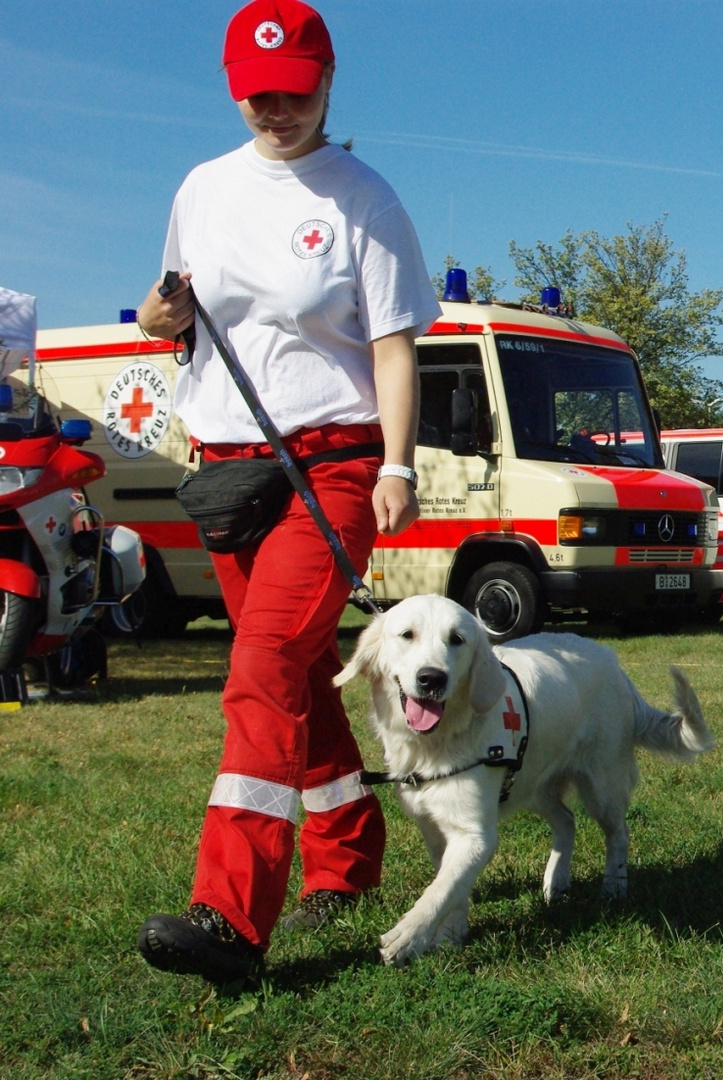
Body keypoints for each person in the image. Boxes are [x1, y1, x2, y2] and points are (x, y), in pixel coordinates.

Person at [133, 0, 438, 983]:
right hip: (229, 475)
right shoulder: (201, 189)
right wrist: (155, 317)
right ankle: (345, 859)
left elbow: (393, 346)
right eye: (258, 94)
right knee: (303, 675)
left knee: (262, 668)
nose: (277, 110)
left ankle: (230, 916)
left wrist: (397, 464)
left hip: (334, 471)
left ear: (327, 81)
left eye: (295, 92)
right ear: (234, 88)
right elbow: (172, 319)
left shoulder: (363, 196)